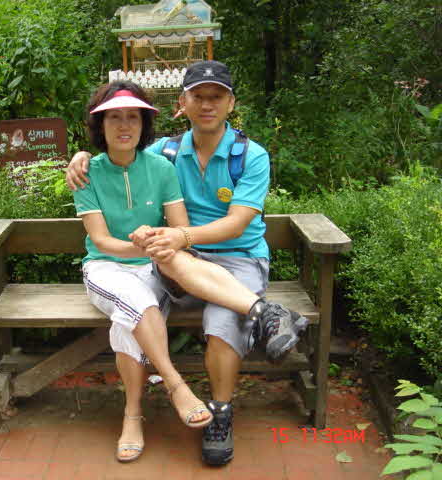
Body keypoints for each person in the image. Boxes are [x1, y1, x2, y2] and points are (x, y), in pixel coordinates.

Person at [66, 61, 309, 466]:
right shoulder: (166, 152)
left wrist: (181, 238)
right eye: (198, 96)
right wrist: (81, 157)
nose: (207, 104)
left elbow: (237, 224)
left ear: (231, 103)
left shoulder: (250, 155)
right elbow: (122, 151)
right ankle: (265, 314)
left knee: (223, 320)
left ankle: (221, 414)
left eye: (216, 97)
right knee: (135, 308)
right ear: (183, 102)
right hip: (177, 259)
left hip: (236, 258)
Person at [74, 81, 214, 463]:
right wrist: (139, 246)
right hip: (104, 268)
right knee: (137, 301)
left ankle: (132, 416)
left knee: (130, 319)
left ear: (144, 124)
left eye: (132, 117)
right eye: (114, 118)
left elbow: (180, 230)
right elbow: (101, 241)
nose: (124, 125)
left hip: (153, 268)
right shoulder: (87, 173)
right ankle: (175, 384)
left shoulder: (161, 168)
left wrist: (152, 237)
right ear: (100, 126)